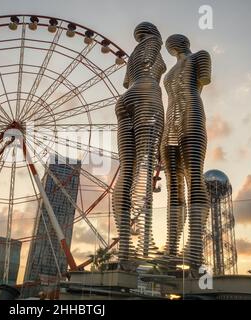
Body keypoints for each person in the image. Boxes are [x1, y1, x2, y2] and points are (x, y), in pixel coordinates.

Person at [113, 22, 166, 267]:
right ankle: (145, 240)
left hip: (126, 98)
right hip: (148, 93)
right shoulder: (155, 43)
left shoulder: (133, 55)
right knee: (145, 166)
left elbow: (126, 83)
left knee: (127, 169)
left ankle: (124, 244)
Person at [161, 34, 211, 268]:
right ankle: (171, 249)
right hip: (170, 120)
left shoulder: (201, 56)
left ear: (185, 42)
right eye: (169, 43)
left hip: (191, 113)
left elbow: (203, 81)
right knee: (173, 185)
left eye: (175, 41)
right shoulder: (169, 72)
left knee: (193, 176)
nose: (171, 45)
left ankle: (194, 248)